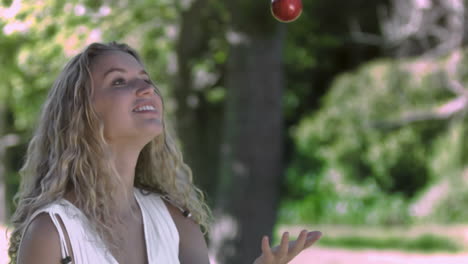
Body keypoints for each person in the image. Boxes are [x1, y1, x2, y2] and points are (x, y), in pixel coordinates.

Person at [7, 42, 322, 264]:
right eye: (119, 81)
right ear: (81, 114)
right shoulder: (52, 233)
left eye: (145, 80)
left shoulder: (174, 220)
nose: (146, 88)